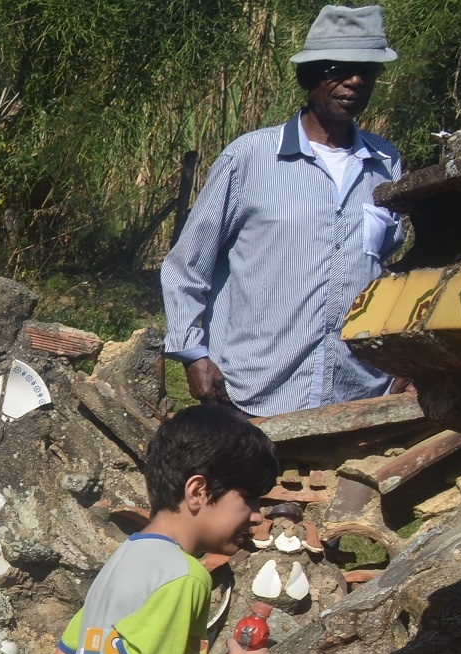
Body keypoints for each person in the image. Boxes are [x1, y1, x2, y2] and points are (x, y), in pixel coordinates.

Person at [162, 4, 403, 418]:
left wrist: (403, 363)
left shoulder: (386, 163)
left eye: (367, 71)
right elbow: (187, 267)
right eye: (338, 70)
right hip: (255, 390)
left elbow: (390, 268)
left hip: (357, 392)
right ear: (308, 78)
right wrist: (193, 353)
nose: (355, 81)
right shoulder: (250, 158)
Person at [46, 404, 277, 654]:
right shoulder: (186, 577)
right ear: (198, 492)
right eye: (248, 498)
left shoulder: (124, 558)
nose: (257, 516)